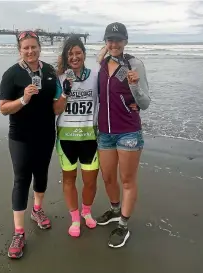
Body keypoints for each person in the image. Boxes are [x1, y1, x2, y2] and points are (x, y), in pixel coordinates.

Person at [0, 30, 57, 258]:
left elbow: (57, 101)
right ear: (20, 50)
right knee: (21, 179)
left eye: (34, 47)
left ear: (39, 48)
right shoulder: (11, 74)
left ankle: (37, 210)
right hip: (20, 136)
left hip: (46, 134)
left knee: (41, 175)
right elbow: (4, 108)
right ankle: (19, 232)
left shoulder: (50, 71)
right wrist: (23, 99)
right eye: (26, 48)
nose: (30, 51)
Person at [96, 22, 151, 248]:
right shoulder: (102, 63)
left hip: (128, 131)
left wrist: (135, 85)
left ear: (126, 41)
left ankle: (124, 226)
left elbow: (145, 103)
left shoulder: (135, 63)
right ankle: (115, 210)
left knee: (127, 180)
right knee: (108, 177)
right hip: (105, 132)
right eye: (110, 39)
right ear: (106, 42)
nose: (114, 43)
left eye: (118, 39)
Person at [53, 35, 99, 237]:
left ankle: (86, 213)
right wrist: (65, 93)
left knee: (90, 181)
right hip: (66, 138)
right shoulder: (60, 78)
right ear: (66, 56)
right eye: (70, 54)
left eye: (78, 53)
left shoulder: (95, 76)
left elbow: (110, 96)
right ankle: (74, 218)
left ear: (84, 54)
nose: (74, 57)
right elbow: (55, 110)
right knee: (69, 179)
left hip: (89, 137)